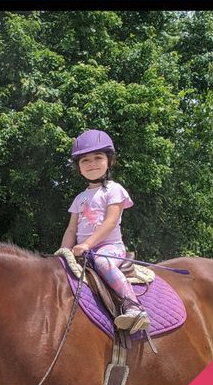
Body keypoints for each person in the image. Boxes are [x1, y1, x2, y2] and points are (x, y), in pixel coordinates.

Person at [61, 129, 150, 333]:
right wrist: (64, 252)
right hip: (83, 251)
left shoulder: (114, 189)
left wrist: (87, 245)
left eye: (98, 157)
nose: (91, 163)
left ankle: (133, 306)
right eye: (85, 160)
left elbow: (110, 222)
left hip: (110, 248)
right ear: (79, 167)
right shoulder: (79, 198)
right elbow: (71, 228)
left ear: (109, 161)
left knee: (102, 262)